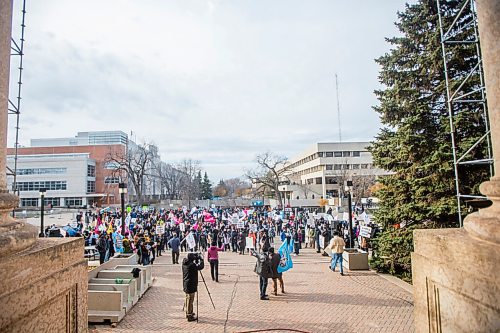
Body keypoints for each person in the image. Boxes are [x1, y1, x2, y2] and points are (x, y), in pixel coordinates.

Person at [182, 252, 205, 322]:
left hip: (186, 284)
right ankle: (189, 315)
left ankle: (189, 312)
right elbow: (200, 267)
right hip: (191, 284)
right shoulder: (192, 265)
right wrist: (201, 260)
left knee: (187, 298)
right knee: (190, 300)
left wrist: (195, 259)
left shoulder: (184, 263)